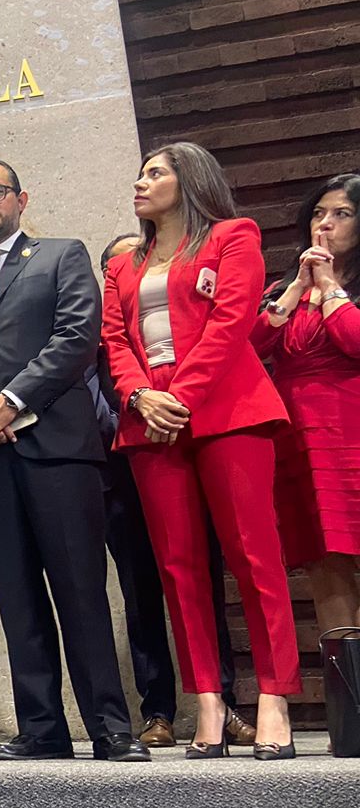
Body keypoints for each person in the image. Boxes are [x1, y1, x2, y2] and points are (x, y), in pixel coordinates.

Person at [0, 160, 148, 762]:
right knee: (15, 594)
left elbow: (75, 338)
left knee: (80, 589)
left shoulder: (61, 256)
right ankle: (41, 727)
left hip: (57, 450)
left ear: (22, 198)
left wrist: (11, 401)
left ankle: (108, 727)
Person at [103, 142, 300, 760]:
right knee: (178, 567)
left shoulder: (232, 236)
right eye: (139, 173)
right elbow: (113, 339)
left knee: (253, 555)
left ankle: (274, 697)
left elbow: (231, 320)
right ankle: (208, 701)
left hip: (226, 413)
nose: (140, 182)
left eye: (155, 173)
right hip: (150, 422)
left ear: (190, 180)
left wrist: (177, 398)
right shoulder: (124, 263)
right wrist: (140, 398)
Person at [98, 234, 253, 749]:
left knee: (203, 578)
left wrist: (166, 406)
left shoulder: (170, 329)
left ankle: (222, 701)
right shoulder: (105, 335)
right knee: (141, 592)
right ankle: (158, 710)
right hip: (120, 471)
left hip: (179, 445)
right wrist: (137, 404)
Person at [254, 173, 360, 638]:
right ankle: (350, 702)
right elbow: (254, 343)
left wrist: (331, 284)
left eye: (342, 214)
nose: (326, 224)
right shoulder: (288, 287)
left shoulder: (346, 286)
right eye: (318, 213)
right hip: (300, 441)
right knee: (324, 564)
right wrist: (298, 285)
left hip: (351, 429)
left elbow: (354, 340)